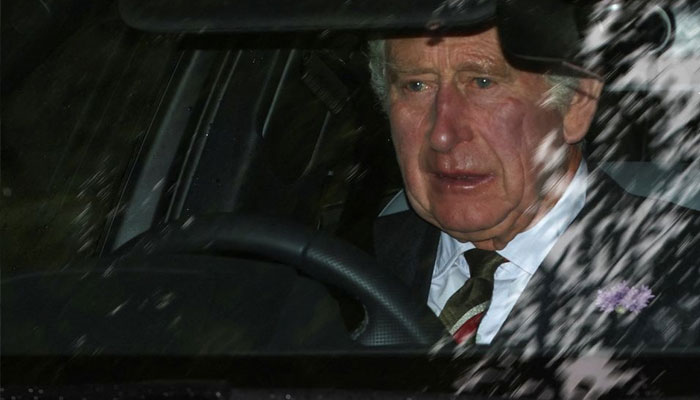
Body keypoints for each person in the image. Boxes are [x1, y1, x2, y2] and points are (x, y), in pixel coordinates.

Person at [370, 26, 700, 351]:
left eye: (483, 83)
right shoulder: (360, 262)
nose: (442, 135)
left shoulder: (683, 271)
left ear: (576, 103)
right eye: (416, 86)